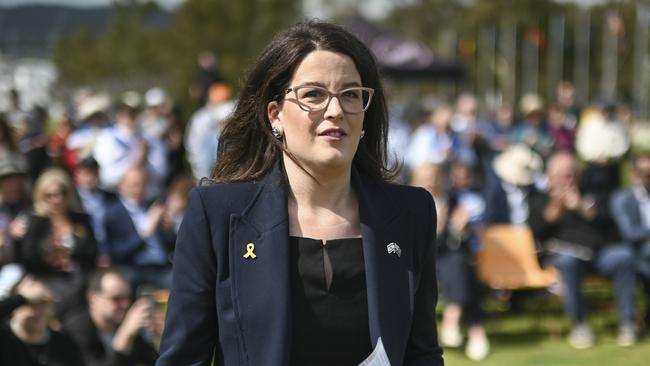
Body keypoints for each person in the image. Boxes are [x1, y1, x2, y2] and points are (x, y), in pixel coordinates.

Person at [157, 21, 442, 366]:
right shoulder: (216, 213)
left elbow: (422, 353)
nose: (335, 110)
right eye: (313, 95)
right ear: (275, 114)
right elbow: (184, 359)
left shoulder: (411, 213)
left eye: (351, 94)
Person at [528, 152, 637, 349]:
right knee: (569, 262)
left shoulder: (592, 195)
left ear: (578, 175)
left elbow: (609, 225)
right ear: (550, 177)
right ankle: (580, 325)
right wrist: (555, 207)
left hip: (599, 254)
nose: (566, 180)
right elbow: (536, 231)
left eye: (570, 174)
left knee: (623, 256)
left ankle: (628, 323)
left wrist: (581, 207)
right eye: (560, 175)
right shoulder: (539, 200)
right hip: (565, 257)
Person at [411, 162, 489, 361]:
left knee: (461, 264)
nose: (431, 180)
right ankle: (474, 330)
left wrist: (457, 226)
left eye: (434, 176)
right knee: (461, 267)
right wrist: (438, 230)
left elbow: (459, 238)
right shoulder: (409, 203)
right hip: (420, 260)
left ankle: (454, 319)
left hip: (449, 257)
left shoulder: (450, 200)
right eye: (426, 176)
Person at [18, 168, 98, 321]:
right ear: (41, 196)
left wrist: (70, 255)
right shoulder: (36, 223)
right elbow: (28, 258)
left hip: (80, 278)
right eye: (50, 195)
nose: (57, 199)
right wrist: (49, 258)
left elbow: (93, 251)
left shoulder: (81, 220)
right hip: (47, 278)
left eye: (62, 193)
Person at [64, 268, 158, 366]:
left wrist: (160, 336)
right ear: (92, 298)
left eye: (127, 298)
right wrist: (124, 337)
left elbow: (156, 361)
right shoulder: (75, 330)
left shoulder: (125, 325)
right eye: (116, 299)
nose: (125, 305)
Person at [103, 166, 173, 290]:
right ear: (122, 186)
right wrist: (145, 234)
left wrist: (168, 228)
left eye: (143, 184)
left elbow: (170, 243)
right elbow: (117, 252)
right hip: (134, 268)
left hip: (161, 266)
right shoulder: (113, 214)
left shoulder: (153, 207)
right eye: (134, 185)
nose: (139, 189)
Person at [0, 274, 86, 366]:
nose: (37, 312)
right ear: (14, 307)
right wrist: (21, 298)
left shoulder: (63, 344)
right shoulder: (5, 337)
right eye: (30, 304)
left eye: (43, 303)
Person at [610, 154, 650, 327]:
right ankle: (629, 321)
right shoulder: (622, 198)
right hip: (635, 252)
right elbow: (629, 233)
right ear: (634, 174)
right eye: (646, 174)